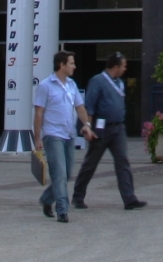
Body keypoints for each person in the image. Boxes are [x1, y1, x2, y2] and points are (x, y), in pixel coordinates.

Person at [73, 51, 146, 211]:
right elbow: (90, 106)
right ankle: (78, 195)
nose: (125, 69)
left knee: (122, 162)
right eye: (123, 66)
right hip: (101, 128)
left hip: (118, 127)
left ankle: (129, 198)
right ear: (115, 67)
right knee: (91, 163)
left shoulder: (120, 82)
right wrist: (88, 126)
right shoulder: (98, 81)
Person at [33, 49, 91, 223]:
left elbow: (80, 108)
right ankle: (62, 210)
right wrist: (37, 138)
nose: (74, 66)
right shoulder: (45, 86)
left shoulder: (72, 85)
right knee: (59, 174)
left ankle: (46, 199)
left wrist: (86, 124)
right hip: (52, 135)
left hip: (69, 134)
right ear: (62, 65)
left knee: (66, 174)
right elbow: (38, 114)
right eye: (71, 63)